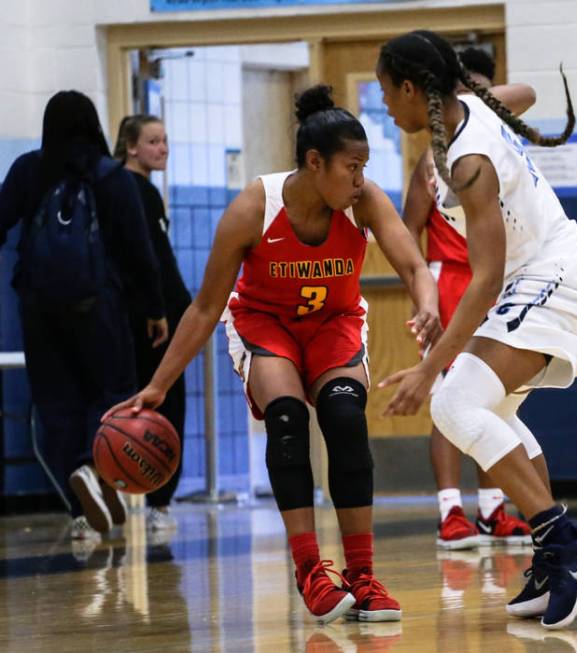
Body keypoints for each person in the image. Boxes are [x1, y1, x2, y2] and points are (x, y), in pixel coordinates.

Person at [106, 85, 440, 623]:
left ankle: (363, 575)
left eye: (364, 168)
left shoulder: (364, 201)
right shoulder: (254, 208)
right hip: (267, 325)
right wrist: (158, 385)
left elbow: (415, 268)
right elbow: (204, 307)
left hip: (333, 323)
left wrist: (426, 305)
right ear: (315, 163)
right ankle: (310, 568)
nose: (360, 179)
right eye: (351, 167)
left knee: (345, 417)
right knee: (287, 417)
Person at [375, 31, 577, 629]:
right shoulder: (469, 114)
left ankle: (566, 536)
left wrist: (430, 369)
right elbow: (526, 92)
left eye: (385, 92)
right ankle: (552, 558)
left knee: (452, 402)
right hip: (544, 281)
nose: (384, 107)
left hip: (556, 278)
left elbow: (484, 279)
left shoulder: (468, 160)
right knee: (494, 415)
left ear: (410, 89)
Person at [0, 91, 167, 542]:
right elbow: (140, 253)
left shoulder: (28, 170)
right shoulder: (112, 177)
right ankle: (99, 468)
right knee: (109, 394)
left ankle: (80, 496)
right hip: (101, 308)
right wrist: (154, 310)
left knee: (57, 404)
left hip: (37, 308)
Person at [402, 47, 535, 550]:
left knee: (494, 401)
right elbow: (409, 233)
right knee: (448, 401)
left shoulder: (494, 141)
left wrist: (478, 101)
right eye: (463, 91)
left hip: (497, 281)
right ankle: (450, 510)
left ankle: (494, 510)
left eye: (479, 91)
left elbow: (525, 94)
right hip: (450, 280)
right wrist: (423, 300)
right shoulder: (432, 161)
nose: (470, 100)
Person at [114, 114, 192, 532]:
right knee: (164, 403)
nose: (162, 148)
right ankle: (159, 500)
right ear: (130, 147)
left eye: (164, 140)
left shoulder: (136, 189)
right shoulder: (135, 190)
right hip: (156, 318)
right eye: (153, 141)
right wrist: (160, 310)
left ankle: (145, 495)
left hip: (154, 311)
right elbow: (149, 262)